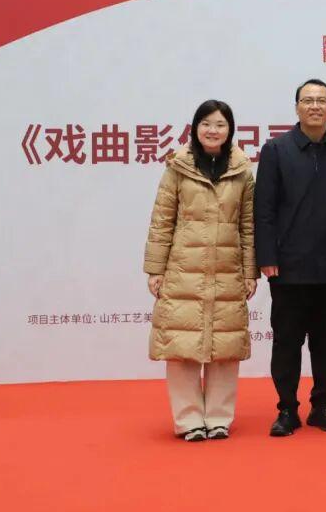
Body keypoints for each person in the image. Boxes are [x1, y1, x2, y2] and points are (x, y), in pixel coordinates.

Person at [144, 99, 258, 442]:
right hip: (184, 269)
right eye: (206, 123)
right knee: (182, 346)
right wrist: (155, 269)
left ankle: (219, 418)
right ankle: (189, 420)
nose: (213, 130)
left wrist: (249, 271)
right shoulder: (178, 167)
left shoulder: (242, 170)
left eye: (220, 124)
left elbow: (248, 226)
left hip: (227, 269)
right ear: (195, 128)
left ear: (230, 130)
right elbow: (162, 220)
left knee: (225, 347)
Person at [254, 78, 326, 436]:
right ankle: (287, 409)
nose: (315, 106)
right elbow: (264, 209)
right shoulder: (276, 150)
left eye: (322, 100)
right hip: (287, 265)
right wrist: (266, 255)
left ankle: (322, 405)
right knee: (287, 340)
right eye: (308, 100)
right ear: (297, 107)